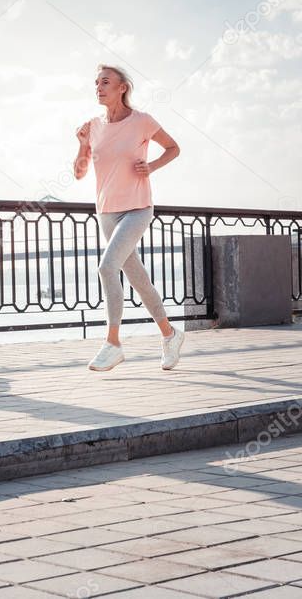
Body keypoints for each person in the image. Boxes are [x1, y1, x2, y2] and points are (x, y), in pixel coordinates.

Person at [73, 64, 184, 372]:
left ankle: (113, 343)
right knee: (137, 278)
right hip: (106, 212)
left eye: (105, 82)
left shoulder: (142, 121)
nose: (99, 87)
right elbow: (79, 172)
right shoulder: (92, 126)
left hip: (137, 208)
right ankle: (170, 334)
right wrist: (82, 145)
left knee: (107, 267)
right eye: (96, 82)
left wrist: (153, 166)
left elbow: (174, 148)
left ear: (122, 88)